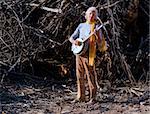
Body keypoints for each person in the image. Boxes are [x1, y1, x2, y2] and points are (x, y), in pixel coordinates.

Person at [69, 7, 108, 103]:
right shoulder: (81, 25)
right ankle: (80, 97)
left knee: (90, 76)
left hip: (89, 55)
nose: (91, 15)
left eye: (94, 14)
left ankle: (92, 97)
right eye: (90, 13)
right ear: (86, 15)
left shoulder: (96, 27)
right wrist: (75, 42)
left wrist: (97, 35)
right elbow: (71, 38)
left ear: (96, 16)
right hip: (79, 54)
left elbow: (100, 44)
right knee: (79, 75)